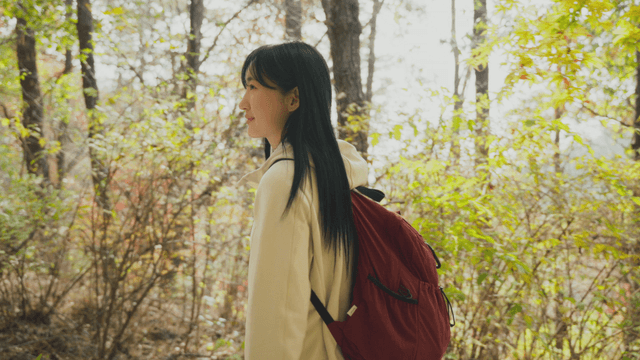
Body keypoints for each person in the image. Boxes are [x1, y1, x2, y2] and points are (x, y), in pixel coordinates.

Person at [237, 41, 368, 360]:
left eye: (253, 87)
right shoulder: (336, 172)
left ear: (293, 98)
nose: (243, 103)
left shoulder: (285, 181)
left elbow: (277, 314)